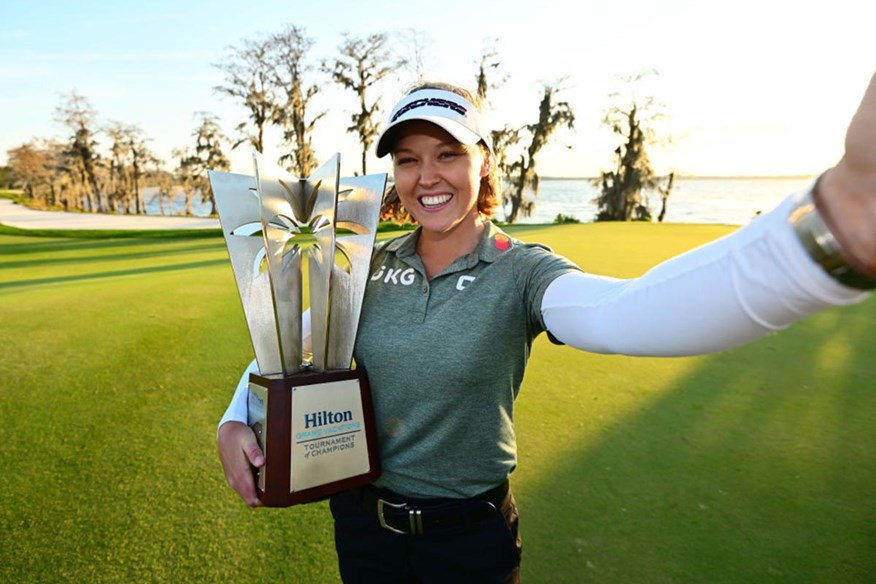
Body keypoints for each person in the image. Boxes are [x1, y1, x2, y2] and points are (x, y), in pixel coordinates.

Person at [218, 75, 876, 583]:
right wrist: (234, 417)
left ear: (484, 163)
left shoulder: (523, 272)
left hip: (468, 540)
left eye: (448, 154)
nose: (427, 177)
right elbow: (289, 345)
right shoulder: (362, 263)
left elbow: (630, 313)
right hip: (362, 527)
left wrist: (832, 231)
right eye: (409, 159)